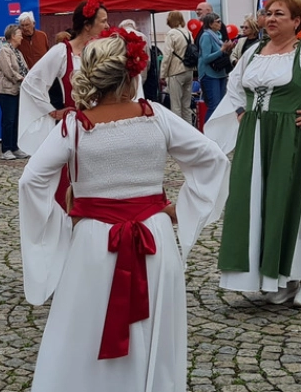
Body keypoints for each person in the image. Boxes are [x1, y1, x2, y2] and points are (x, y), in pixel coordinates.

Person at [18, 29, 227, 392]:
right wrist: (181, 209)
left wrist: (63, 218)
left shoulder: (74, 126)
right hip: (155, 237)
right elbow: (213, 158)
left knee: (85, 326)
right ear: (134, 74)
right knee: (153, 327)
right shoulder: (156, 116)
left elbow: (31, 181)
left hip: (94, 240)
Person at [204, 0, 301, 308]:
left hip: (293, 137)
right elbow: (234, 86)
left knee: (298, 202)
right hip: (255, 137)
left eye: (279, 14)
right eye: (268, 13)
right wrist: (241, 112)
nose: (271, 19)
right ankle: (278, 276)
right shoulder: (253, 51)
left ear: (296, 21)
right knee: (258, 201)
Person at [21, 0, 111, 160]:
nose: (107, 26)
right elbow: (31, 83)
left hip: (103, 127)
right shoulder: (63, 52)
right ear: (87, 25)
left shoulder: (104, 51)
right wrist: (52, 111)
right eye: (103, 21)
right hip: (75, 129)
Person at [0, 25, 28, 159]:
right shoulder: (4, 51)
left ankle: (15, 147)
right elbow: (8, 71)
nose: (21, 36)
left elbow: (25, 68)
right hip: (7, 90)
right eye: (19, 34)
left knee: (15, 120)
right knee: (8, 120)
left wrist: (28, 77)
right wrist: (22, 78)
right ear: (13, 36)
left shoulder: (18, 52)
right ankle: (6, 149)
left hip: (18, 90)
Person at [196, 14, 231, 121]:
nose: (220, 24)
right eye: (217, 21)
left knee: (220, 106)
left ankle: (217, 132)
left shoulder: (218, 35)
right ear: (210, 24)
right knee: (214, 106)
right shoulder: (206, 36)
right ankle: (208, 133)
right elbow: (206, 58)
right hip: (210, 74)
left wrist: (227, 49)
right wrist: (221, 50)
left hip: (220, 72)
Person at [162, 11, 194, 123]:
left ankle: (179, 133)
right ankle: (190, 131)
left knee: (176, 106)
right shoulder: (188, 33)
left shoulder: (171, 34)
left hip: (176, 71)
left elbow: (167, 55)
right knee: (186, 106)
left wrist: (163, 74)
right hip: (189, 70)